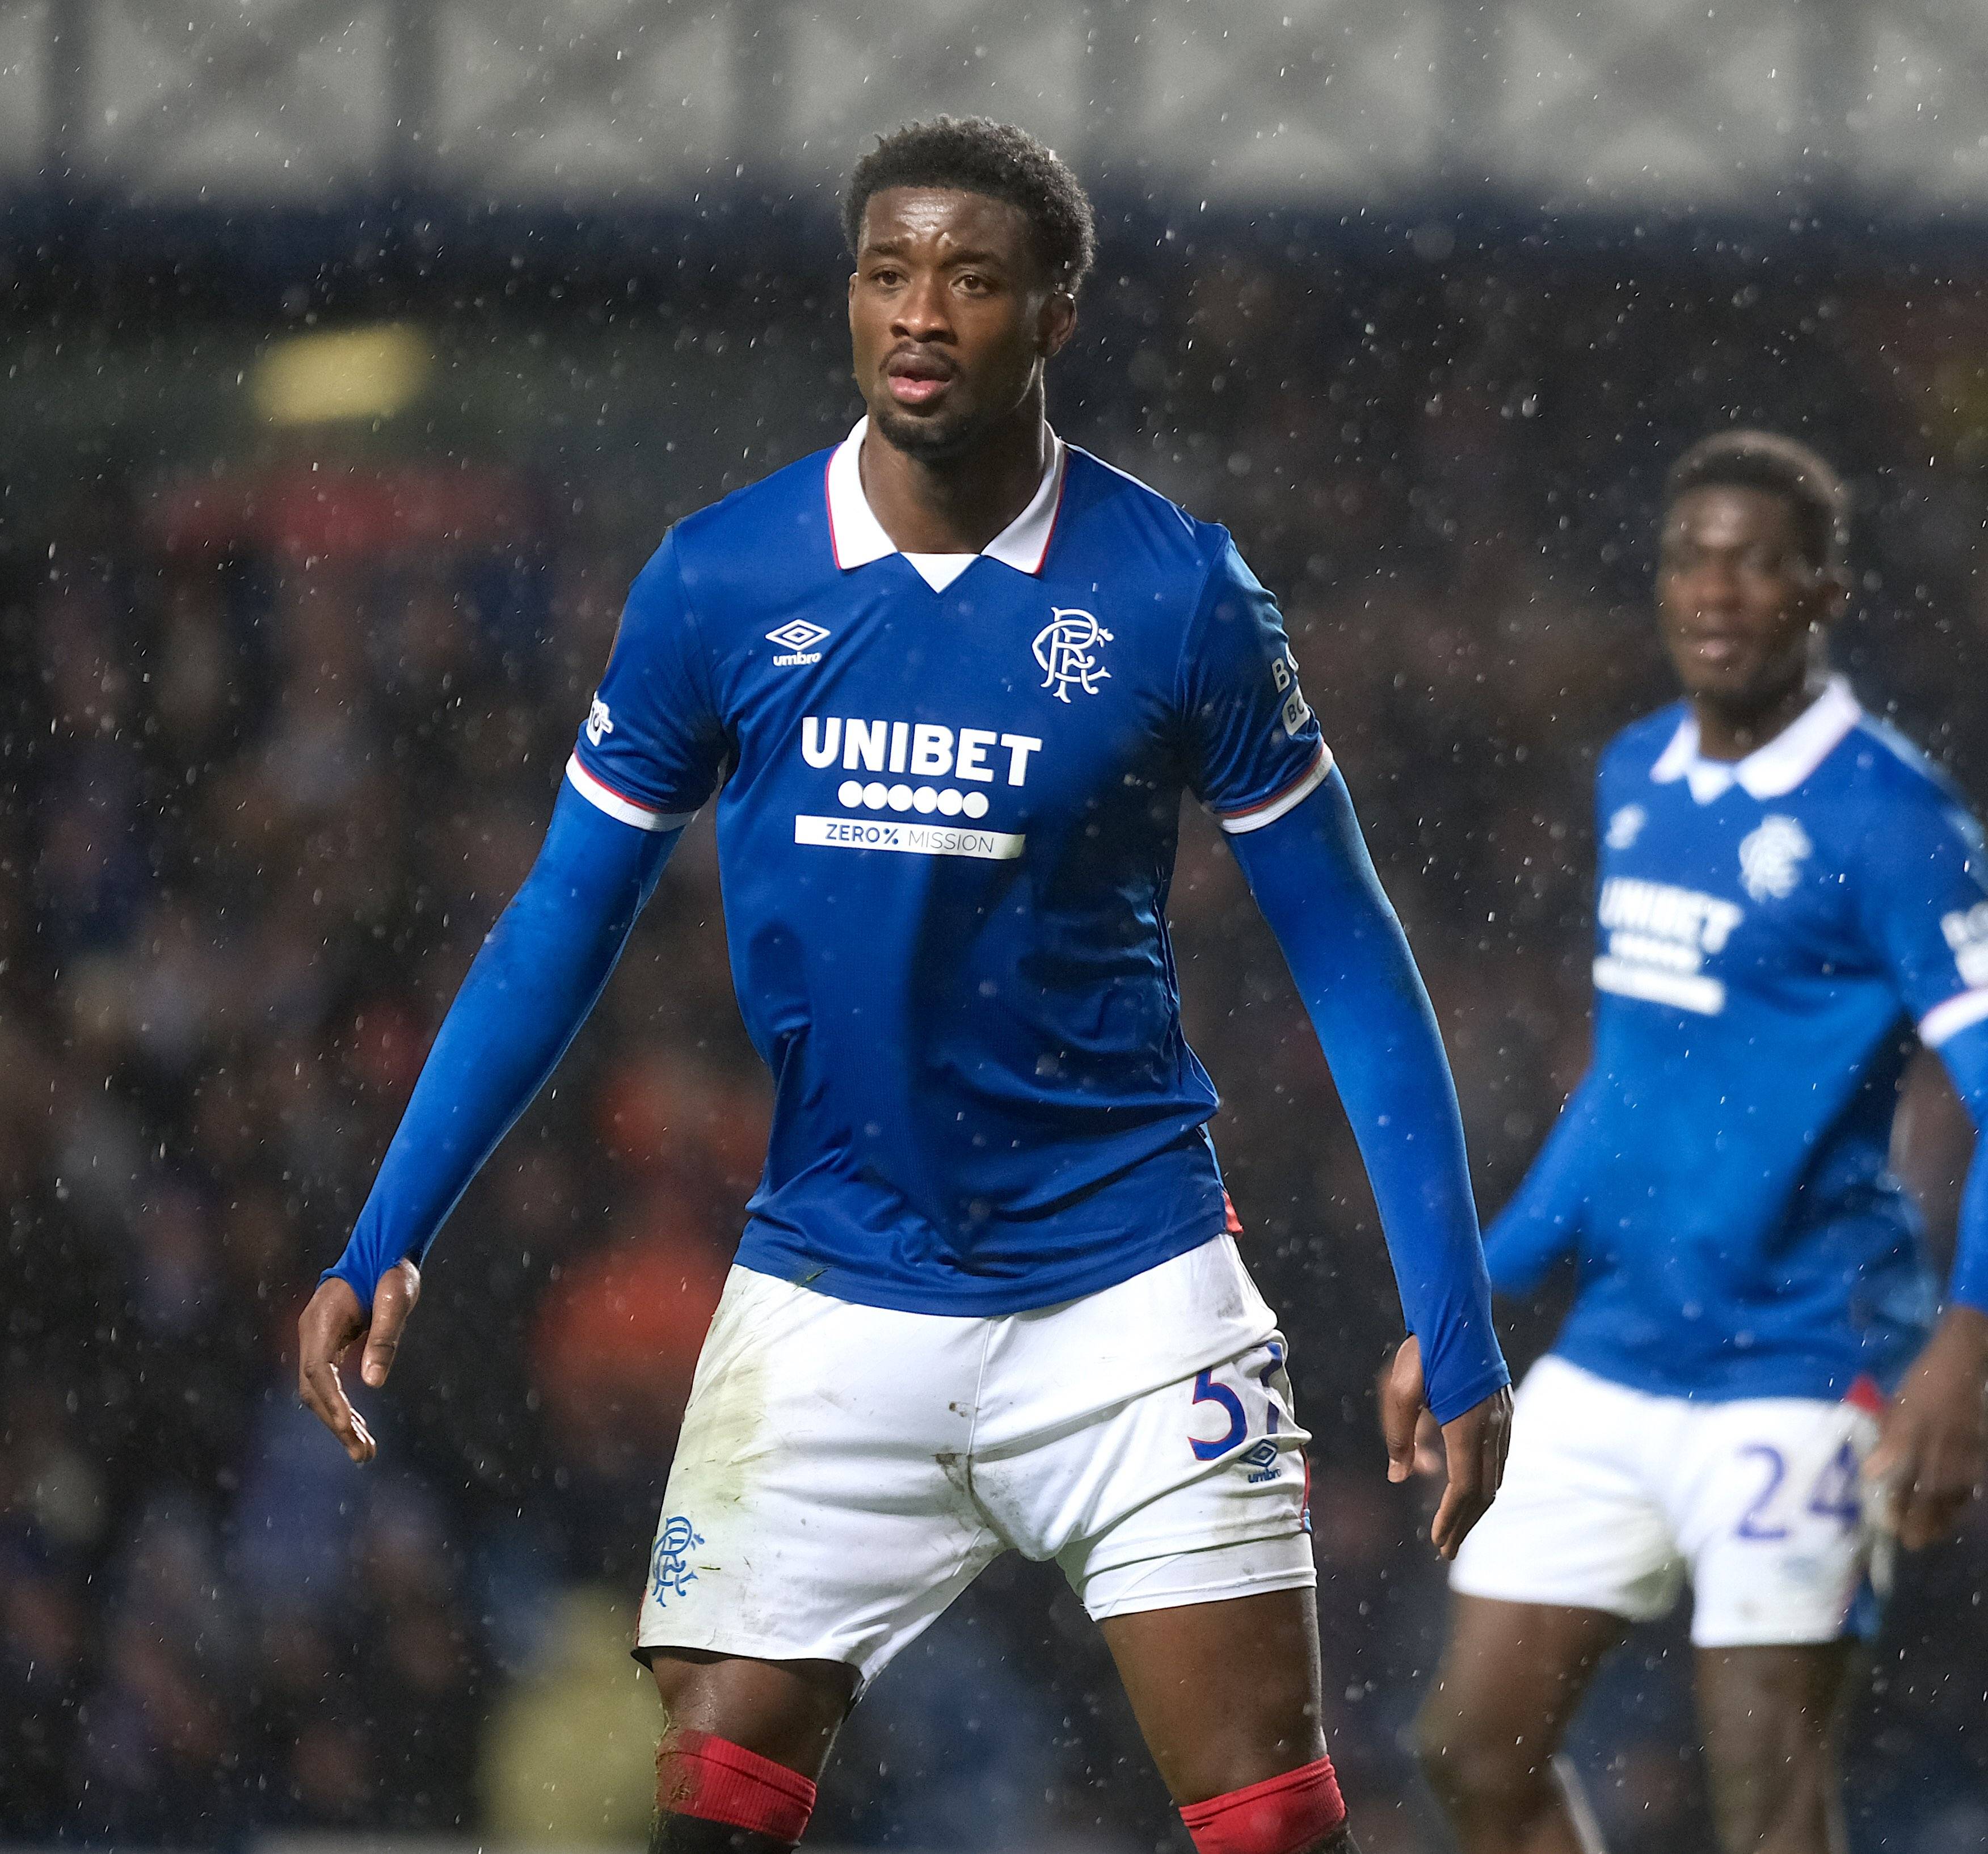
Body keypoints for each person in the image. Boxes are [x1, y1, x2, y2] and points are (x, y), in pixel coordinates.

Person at [296, 117, 1513, 1854]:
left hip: (1130, 1289)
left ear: (1056, 315)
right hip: (836, 1286)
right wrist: (386, 1227)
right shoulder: (723, 580)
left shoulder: (1175, 592)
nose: (920, 310)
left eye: (970, 275)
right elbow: (560, 918)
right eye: (886, 270)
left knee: (1274, 1821)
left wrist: (1452, 1322)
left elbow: (1357, 962)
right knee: (712, 1795)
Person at [1412, 431, 1988, 1854]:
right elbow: (1631, 1086)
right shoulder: (1635, 775)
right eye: (1690, 556)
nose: (1716, 588)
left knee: (1765, 1787)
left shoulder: (1894, 816)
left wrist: (1967, 1346)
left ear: (1823, 593)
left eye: (1756, 561)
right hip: (1620, 1347)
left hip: (1805, 1355)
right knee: (1472, 1751)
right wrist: (1469, 1297)